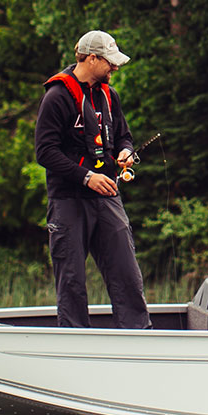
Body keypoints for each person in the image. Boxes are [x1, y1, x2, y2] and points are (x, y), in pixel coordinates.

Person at [33, 30, 150, 329]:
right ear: (92, 58)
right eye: (110, 62)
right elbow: (45, 152)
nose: (115, 68)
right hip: (68, 202)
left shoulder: (110, 96)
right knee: (72, 281)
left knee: (127, 274)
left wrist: (125, 152)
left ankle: (139, 339)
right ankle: (74, 343)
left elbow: (124, 136)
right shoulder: (57, 96)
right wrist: (86, 177)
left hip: (107, 198)